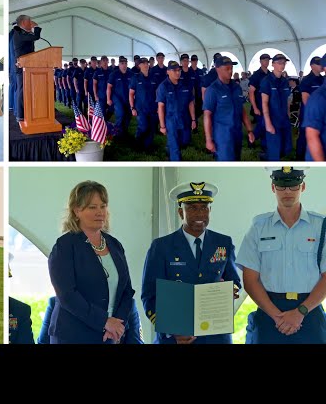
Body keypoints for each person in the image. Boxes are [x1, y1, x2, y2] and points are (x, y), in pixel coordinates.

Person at [142, 181, 241, 344]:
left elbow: (235, 281)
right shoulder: (161, 247)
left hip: (215, 337)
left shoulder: (223, 242)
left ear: (210, 210)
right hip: (176, 337)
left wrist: (231, 290)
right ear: (181, 212)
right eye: (192, 208)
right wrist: (170, 330)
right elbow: (150, 295)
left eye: (204, 208)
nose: (199, 214)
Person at [236, 167, 326, 343]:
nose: (287, 191)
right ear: (272, 187)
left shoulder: (321, 226)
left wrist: (300, 312)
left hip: (309, 311)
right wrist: (277, 317)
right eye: (281, 186)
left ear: (303, 187)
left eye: (293, 186)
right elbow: (250, 279)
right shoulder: (258, 227)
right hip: (269, 312)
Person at [47, 181, 141, 344]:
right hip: (72, 336)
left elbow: (126, 291)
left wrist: (117, 324)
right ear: (77, 211)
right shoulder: (65, 246)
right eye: (92, 207)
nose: (100, 212)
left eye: (103, 206)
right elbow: (67, 295)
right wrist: (104, 321)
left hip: (109, 335)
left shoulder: (115, 245)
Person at [203, 55, 255, 161]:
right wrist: (208, 140)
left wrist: (249, 130)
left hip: (237, 132)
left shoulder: (236, 87)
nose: (230, 71)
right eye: (227, 68)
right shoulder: (213, 90)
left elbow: (242, 110)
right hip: (223, 136)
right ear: (217, 69)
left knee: (236, 160)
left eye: (231, 68)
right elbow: (207, 115)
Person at [156, 60, 196, 161]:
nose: (177, 73)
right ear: (168, 72)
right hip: (171, 120)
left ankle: (169, 148)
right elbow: (160, 107)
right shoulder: (163, 87)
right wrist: (162, 126)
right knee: (175, 147)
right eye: (174, 71)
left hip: (184, 118)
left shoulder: (185, 85)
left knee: (185, 140)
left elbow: (191, 102)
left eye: (179, 70)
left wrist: (193, 119)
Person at [260, 54, 292, 160]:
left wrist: (288, 115)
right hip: (273, 119)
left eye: (284, 63)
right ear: (273, 64)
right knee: (275, 151)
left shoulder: (285, 81)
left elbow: (287, 100)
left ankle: (266, 156)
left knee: (286, 148)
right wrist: (268, 123)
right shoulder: (266, 81)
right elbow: (264, 103)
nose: (282, 65)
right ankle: (269, 159)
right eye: (279, 63)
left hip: (284, 119)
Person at [11, 15, 42, 122]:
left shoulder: (23, 32)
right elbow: (36, 37)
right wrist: (36, 27)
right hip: (22, 66)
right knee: (22, 90)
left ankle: (27, 112)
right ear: (24, 22)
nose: (31, 23)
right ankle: (20, 115)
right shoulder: (18, 32)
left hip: (28, 65)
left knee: (26, 90)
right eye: (30, 22)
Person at [297, 56, 324, 160]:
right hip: (308, 115)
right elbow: (305, 99)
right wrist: (312, 114)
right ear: (312, 66)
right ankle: (299, 159)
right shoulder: (307, 80)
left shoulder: (322, 79)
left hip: (320, 114)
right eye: (318, 64)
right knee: (303, 138)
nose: (321, 66)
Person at [129, 57, 158, 152]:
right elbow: (131, 94)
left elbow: (157, 92)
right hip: (141, 108)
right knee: (143, 126)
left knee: (152, 127)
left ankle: (148, 145)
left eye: (147, 63)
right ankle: (138, 143)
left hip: (153, 107)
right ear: (139, 65)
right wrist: (132, 108)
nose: (146, 65)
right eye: (144, 63)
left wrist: (158, 106)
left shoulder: (153, 77)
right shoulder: (135, 78)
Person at [248, 53, 271, 150]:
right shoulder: (256, 75)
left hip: (268, 105)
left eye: (268, 60)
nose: (267, 62)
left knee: (265, 124)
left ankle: (262, 143)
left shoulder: (270, 74)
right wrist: (255, 107)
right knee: (262, 124)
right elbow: (251, 92)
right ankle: (253, 138)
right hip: (259, 105)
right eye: (265, 60)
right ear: (260, 61)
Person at [108, 56, 133, 138]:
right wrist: (108, 99)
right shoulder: (114, 74)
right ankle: (116, 132)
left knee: (128, 115)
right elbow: (109, 87)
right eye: (122, 63)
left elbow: (133, 87)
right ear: (119, 64)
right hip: (117, 98)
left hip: (128, 98)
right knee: (121, 114)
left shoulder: (130, 73)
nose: (124, 65)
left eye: (125, 63)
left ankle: (124, 131)